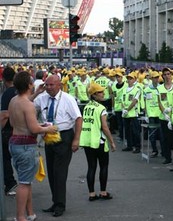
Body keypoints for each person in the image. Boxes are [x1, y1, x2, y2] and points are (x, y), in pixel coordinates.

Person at [8, 71, 57, 221]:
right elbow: (35, 129)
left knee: (26, 180)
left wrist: (36, 94)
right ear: (29, 85)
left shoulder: (13, 101)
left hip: (15, 142)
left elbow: (14, 121)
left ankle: (29, 213)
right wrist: (48, 128)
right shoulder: (28, 105)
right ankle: (21, 216)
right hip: (26, 145)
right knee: (23, 183)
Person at [33, 74, 83, 217]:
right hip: (48, 137)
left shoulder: (68, 99)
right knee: (52, 171)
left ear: (59, 85)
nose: (48, 88)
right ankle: (55, 201)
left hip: (64, 136)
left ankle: (60, 205)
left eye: (51, 85)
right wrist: (37, 92)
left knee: (60, 172)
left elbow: (78, 119)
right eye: (47, 85)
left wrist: (76, 139)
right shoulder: (42, 98)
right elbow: (28, 104)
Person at [79, 82, 116, 201]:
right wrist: (112, 141)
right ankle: (103, 192)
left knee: (91, 167)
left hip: (88, 141)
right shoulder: (101, 108)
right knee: (103, 166)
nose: (103, 93)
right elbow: (105, 127)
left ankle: (91, 194)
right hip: (99, 141)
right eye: (100, 92)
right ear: (94, 95)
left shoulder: (86, 107)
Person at [0, 67, 18, 196]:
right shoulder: (18, 91)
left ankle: (10, 183)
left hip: (8, 130)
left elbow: (5, 115)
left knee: (6, 158)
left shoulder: (7, 94)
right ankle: (24, 182)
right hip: (20, 129)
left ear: (4, 78)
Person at [157, 67, 173, 164]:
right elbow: (159, 102)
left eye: (168, 74)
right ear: (162, 76)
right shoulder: (159, 88)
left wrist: (172, 109)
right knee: (164, 138)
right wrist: (164, 111)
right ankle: (167, 157)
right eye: (165, 74)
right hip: (164, 117)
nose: (167, 76)